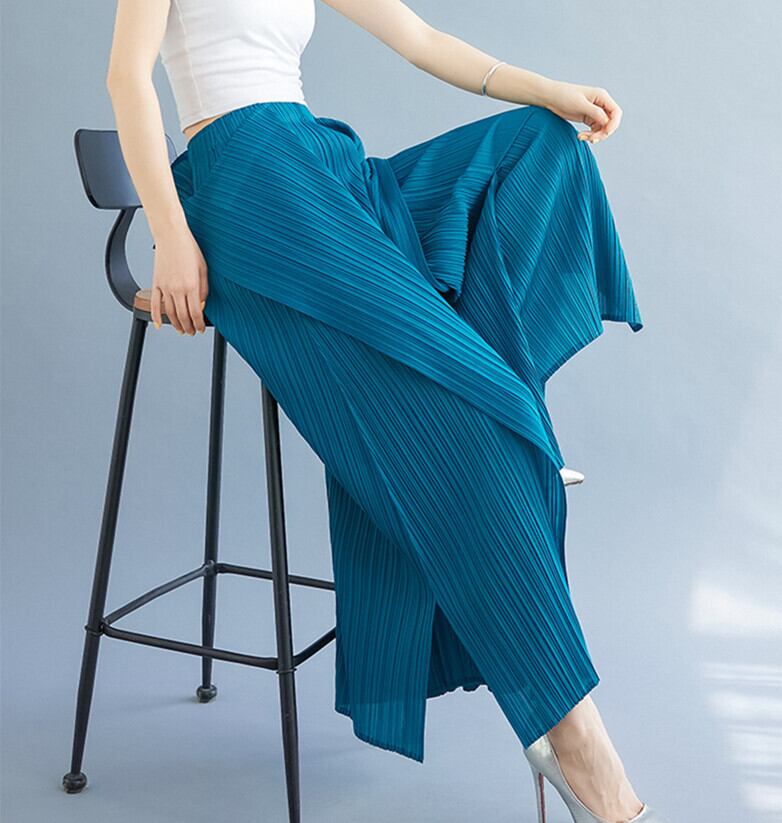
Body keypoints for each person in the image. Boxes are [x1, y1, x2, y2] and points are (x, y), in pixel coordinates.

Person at [105, 2, 666, 821]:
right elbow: (126, 77)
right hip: (248, 183)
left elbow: (421, 40)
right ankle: (578, 744)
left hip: (326, 168)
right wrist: (169, 234)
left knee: (541, 143)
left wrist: (552, 89)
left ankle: (491, 415)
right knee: (472, 441)